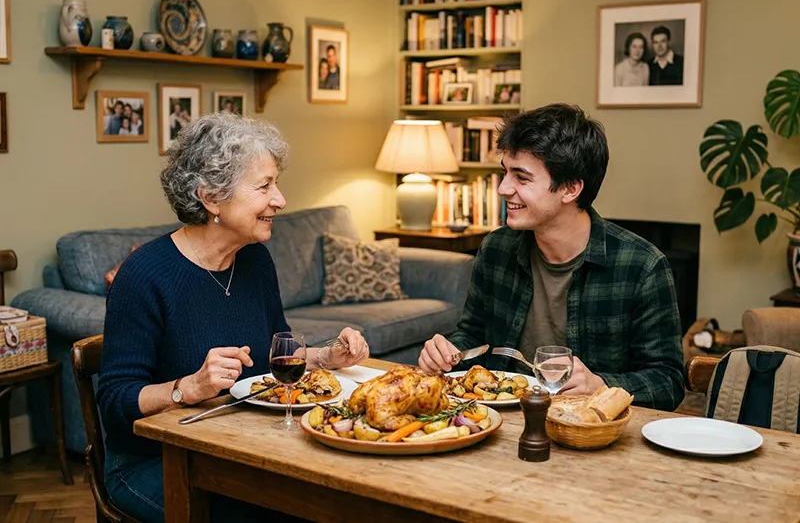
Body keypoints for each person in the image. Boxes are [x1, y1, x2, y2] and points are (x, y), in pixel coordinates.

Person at [97, 112, 370, 523]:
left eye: (275, 183)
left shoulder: (255, 260)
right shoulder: (144, 275)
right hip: (155, 461)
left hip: (237, 447)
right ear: (210, 198)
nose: (280, 199)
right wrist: (188, 387)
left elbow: (274, 360)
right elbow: (115, 404)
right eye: (264, 186)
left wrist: (325, 357)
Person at [418, 104, 685, 412]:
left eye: (521, 177)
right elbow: (474, 335)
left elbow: (668, 381)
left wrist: (599, 384)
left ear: (570, 189)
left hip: (589, 432)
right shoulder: (496, 248)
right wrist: (448, 354)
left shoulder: (642, 266)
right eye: (505, 172)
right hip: (498, 421)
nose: (503, 188)